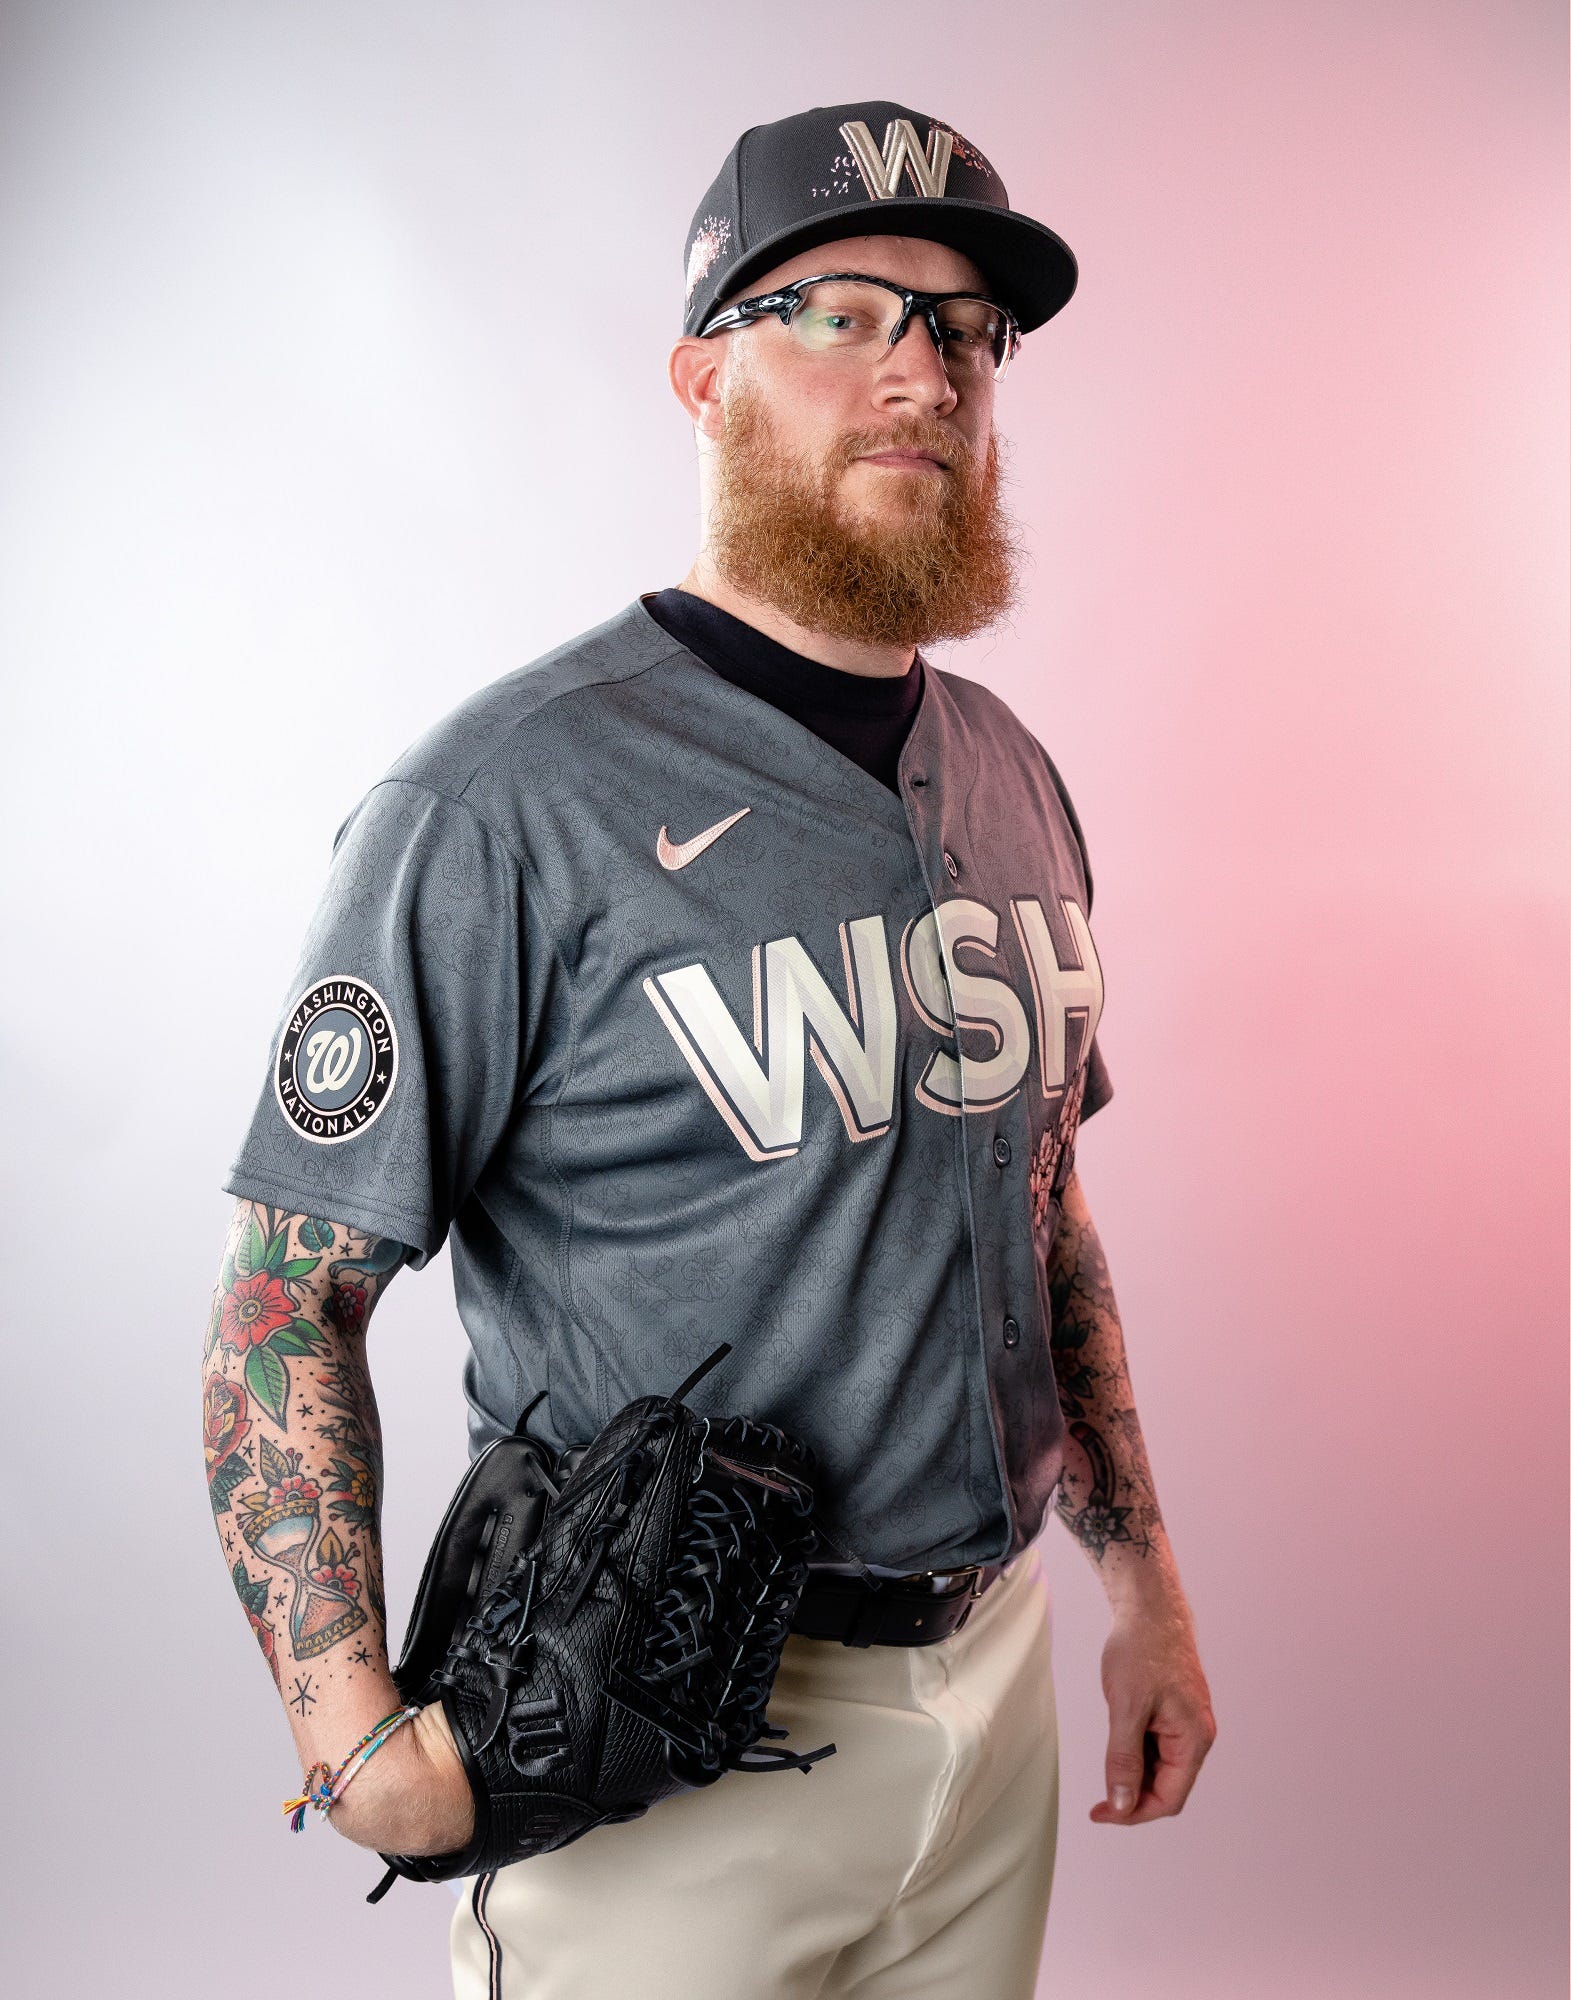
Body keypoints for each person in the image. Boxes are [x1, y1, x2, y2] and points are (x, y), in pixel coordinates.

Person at [204, 99, 1217, 1999]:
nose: (923, 369)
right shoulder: (507, 797)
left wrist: (1142, 1587)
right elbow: (284, 1299)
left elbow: (1047, 1205)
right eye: (843, 309)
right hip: (663, 1719)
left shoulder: (1009, 773)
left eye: (967, 330)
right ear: (702, 376)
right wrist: (351, 1740)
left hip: (987, 1691)